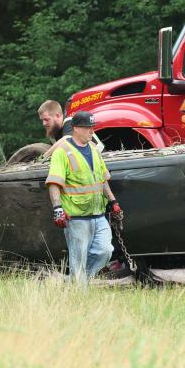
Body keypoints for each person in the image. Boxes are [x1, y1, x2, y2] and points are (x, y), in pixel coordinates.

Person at [45, 111, 123, 284]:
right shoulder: (62, 152)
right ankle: (78, 293)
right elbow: (54, 183)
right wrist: (57, 209)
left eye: (92, 127)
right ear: (75, 129)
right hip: (76, 217)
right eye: (87, 127)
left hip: (98, 214)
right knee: (78, 259)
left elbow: (103, 178)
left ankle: (78, 280)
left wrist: (113, 201)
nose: (91, 131)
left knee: (105, 251)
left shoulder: (95, 150)